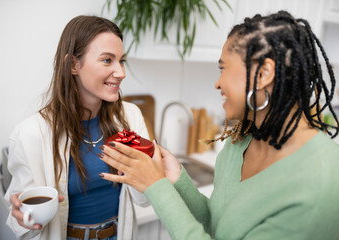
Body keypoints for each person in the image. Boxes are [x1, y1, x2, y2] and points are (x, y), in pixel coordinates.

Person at [99, 11, 339, 240]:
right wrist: (175, 179)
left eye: (223, 68)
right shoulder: (240, 144)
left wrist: (156, 187)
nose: (217, 82)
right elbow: (218, 226)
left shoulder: (320, 181)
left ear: (264, 74)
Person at [4, 15, 150, 240]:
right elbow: (25, 226)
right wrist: (22, 217)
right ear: (73, 64)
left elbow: (144, 198)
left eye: (121, 61)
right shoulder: (31, 133)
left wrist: (149, 171)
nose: (121, 72)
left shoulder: (130, 117)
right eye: (107, 60)